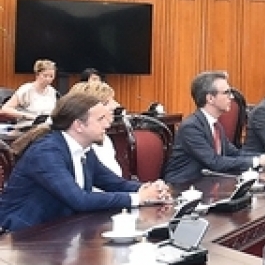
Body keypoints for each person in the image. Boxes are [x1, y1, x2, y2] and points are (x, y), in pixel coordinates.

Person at [0, 91, 170, 233]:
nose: (108, 124)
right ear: (79, 125)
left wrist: (148, 189)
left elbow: (113, 183)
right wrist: (138, 198)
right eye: (100, 119)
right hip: (23, 238)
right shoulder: (47, 152)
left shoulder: (84, 149)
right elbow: (79, 200)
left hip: (60, 231)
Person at [162, 71, 265, 185]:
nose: (231, 97)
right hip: (183, 186)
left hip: (208, 183)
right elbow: (214, 162)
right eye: (226, 93)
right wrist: (256, 161)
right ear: (210, 98)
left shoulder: (216, 125)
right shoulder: (191, 127)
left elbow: (234, 153)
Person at [67, 80, 123, 179]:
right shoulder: (67, 145)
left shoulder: (104, 139)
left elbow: (113, 180)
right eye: (107, 102)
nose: (115, 106)